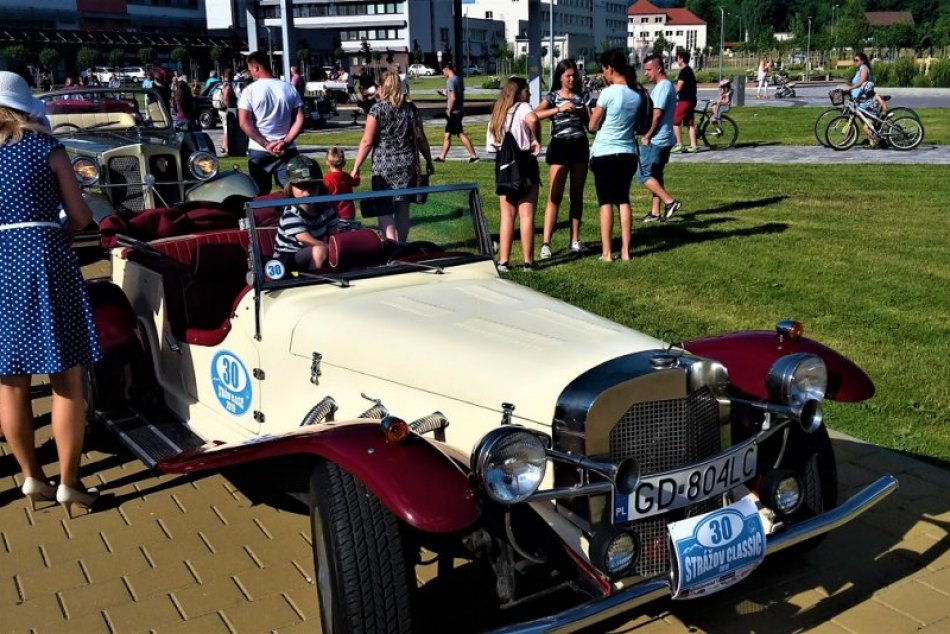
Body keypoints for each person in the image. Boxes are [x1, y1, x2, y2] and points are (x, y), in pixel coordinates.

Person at [0, 71, 102, 518]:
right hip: (45, 259)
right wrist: (53, 226)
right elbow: (80, 216)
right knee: (66, 376)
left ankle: (30, 476)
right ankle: (70, 482)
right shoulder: (47, 149)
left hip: (2, 264)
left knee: (10, 381)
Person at [350, 71, 433, 242]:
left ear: (382, 87)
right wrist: (429, 160)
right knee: (403, 209)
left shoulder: (377, 109)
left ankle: (391, 245)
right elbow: (421, 138)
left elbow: (367, 141)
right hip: (407, 164)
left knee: (384, 209)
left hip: (384, 166)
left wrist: (356, 167)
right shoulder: (411, 108)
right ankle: (401, 245)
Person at [534, 59, 590, 259]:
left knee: (577, 194)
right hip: (559, 146)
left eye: (575, 75)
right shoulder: (552, 97)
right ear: (560, 77)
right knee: (554, 195)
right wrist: (559, 109)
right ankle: (546, 243)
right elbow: (535, 115)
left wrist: (579, 111)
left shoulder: (583, 96)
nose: (572, 79)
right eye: (568, 75)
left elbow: (591, 124)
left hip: (579, 146)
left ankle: (575, 240)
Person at [587, 50, 639, 262]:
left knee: (605, 201)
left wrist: (589, 114)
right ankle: (626, 251)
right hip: (627, 152)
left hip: (605, 152)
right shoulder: (635, 95)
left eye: (603, 70)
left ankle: (607, 252)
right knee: (623, 200)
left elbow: (592, 126)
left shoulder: (608, 93)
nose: (603, 74)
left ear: (609, 68)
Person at [488, 77, 541, 272]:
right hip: (524, 165)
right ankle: (528, 261)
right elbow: (534, 119)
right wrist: (537, 139)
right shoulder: (524, 108)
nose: (530, 94)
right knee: (526, 215)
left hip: (503, 168)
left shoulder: (499, 112)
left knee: (507, 216)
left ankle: (504, 261)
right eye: (527, 91)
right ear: (519, 93)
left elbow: (492, 145)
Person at [238, 51, 305, 194]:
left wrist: (266, 144)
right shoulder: (289, 88)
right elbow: (299, 119)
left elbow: (244, 123)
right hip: (287, 149)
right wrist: (285, 141)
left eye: (250, 70)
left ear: (256, 68)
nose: (250, 74)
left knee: (261, 196)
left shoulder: (249, 91)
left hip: (259, 149)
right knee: (295, 193)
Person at [274, 156, 338, 271]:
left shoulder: (326, 208)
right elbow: (306, 240)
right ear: (290, 187)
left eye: (312, 185)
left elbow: (335, 235)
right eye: (301, 186)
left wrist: (339, 245)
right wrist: (332, 248)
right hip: (287, 260)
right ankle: (314, 283)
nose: (307, 192)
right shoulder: (291, 213)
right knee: (319, 249)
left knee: (331, 248)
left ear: (320, 186)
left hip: (315, 252)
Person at [639, 54, 682, 224]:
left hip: (657, 139)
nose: (647, 73)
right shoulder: (665, 86)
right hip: (665, 138)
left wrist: (647, 135)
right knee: (656, 175)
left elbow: (657, 115)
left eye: (649, 70)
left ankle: (670, 202)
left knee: (643, 175)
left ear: (658, 68)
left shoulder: (663, 87)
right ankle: (655, 212)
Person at [434, 63, 479, 163]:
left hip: (454, 112)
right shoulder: (458, 79)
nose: (443, 73)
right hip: (459, 110)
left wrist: (449, 110)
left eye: (443, 70)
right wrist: (445, 94)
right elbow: (456, 95)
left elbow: (453, 98)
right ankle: (442, 157)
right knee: (449, 134)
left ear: (447, 69)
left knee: (459, 134)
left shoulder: (450, 81)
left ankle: (474, 156)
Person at [323, 147, 360, 226]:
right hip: (349, 212)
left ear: (327, 162)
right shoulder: (346, 176)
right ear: (343, 162)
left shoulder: (327, 179)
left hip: (333, 213)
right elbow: (356, 182)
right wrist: (356, 172)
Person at [671, 50, 698, 153]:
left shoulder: (684, 71)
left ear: (681, 59)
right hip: (691, 100)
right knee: (689, 123)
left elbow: (678, 88)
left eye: (677, 58)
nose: (677, 60)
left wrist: (671, 94)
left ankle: (679, 144)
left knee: (675, 122)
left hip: (685, 100)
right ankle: (693, 145)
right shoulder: (689, 70)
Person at [217, 69, 238, 156]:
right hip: (226, 110)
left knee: (225, 128)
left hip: (221, 110)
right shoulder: (228, 86)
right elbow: (225, 98)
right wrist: (229, 108)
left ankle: (224, 146)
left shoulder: (222, 85)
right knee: (227, 129)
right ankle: (225, 147)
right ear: (232, 77)